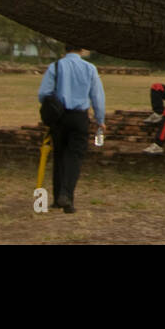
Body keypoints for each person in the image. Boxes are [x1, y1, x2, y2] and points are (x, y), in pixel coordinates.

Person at [38, 44, 106, 213]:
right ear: (82, 49)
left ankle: (57, 197)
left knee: (59, 155)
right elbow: (97, 96)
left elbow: (43, 93)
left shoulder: (55, 66)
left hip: (59, 117)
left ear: (65, 48)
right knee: (74, 157)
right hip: (79, 117)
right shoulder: (89, 68)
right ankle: (67, 196)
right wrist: (100, 119)